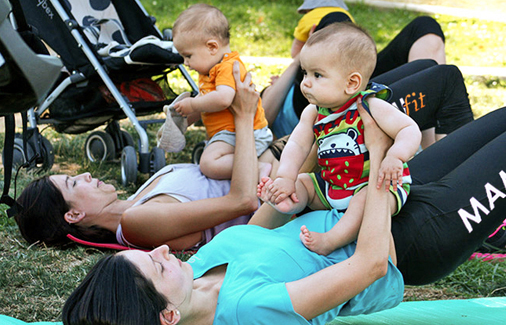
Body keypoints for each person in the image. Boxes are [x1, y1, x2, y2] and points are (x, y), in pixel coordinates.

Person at [61, 100, 506, 324]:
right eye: (154, 265)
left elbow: (262, 225)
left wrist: (292, 186)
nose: (158, 251)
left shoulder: (194, 274)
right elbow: (368, 267)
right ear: (168, 317)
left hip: (379, 201)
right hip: (416, 239)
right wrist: (377, 158)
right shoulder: (249, 311)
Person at [13, 61, 280, 251]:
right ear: (74, 215)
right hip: (279, 194)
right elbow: (243, 201)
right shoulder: (135, 223)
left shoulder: (137, 200)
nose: (85, 175)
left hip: (272, 163)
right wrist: (243, 117)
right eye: (73, 183)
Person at [259, 22, 421, 255]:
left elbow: (409, 129)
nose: (305, 82)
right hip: (333, 185)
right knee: (304, 182)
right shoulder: (314, 112)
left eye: (317, 75)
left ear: (352, 83)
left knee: (363, 201)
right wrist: (285, 177)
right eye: (305, 73)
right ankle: (288, 201)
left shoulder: (370, 106)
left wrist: (396, 156)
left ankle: (332, 240)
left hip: (376, 186)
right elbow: (297, 144)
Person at [263, 0, 451, 149]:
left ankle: (430, 143)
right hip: (331, 110)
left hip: (357, 91)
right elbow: (262, 120)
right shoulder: (284, 88)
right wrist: (303, 58)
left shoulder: (349, 79)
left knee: (425, 25)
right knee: (334, 17)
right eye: (306, 73)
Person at [171, 3, 273, 180]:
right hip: (229, 134)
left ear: (212, 47)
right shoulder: (210, 70)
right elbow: (208, 104)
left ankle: (258, 168)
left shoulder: (227, 67)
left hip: (245, 133)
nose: (186, 63)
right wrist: (186, 118)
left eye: (188, 56)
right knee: (210, 156)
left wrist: (193, 103)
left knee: (209, 163)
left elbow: (223, 99)